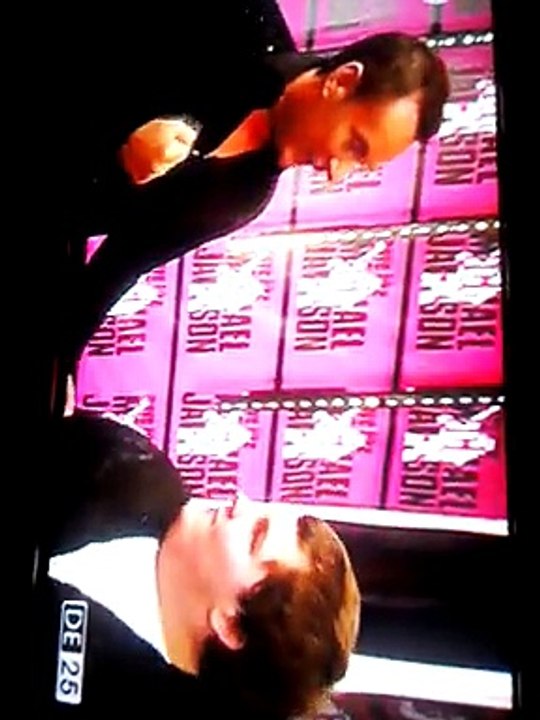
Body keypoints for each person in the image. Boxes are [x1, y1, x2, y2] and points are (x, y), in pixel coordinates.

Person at [51, 6, 449, 363]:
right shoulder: (241, 20)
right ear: (343, 81)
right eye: (354, 145)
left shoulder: (247, 196)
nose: (336, 172)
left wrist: (61, 363)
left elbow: (119, 267)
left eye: (359, 165)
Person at [33, 412, 360, 719]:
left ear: (231, 624)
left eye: (255, 535)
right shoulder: (139, 469)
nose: (240, 500)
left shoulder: (131, 703)